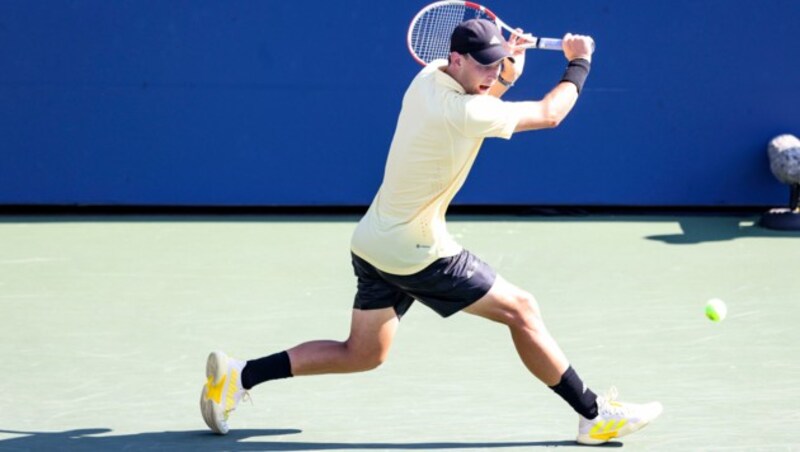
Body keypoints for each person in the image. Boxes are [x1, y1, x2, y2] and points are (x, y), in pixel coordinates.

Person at [200, 19, 662, 445]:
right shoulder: (462, 110)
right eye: (483, 64)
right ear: (456, 60)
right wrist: (579, 62)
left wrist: (503, 78)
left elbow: (477, 106)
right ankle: (593, 414)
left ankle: (239, 377)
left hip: (373, 240)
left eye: (496, 61)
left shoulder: (427, 80)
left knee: (363, 354)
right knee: (522, 310)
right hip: (416, 249)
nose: (491, 71)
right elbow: (549, 113)